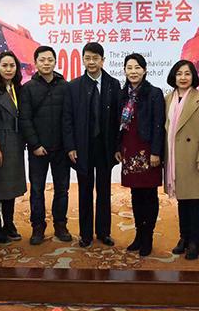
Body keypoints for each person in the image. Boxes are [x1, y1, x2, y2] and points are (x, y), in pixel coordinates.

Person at [63, 42, 121, 248]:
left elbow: (118, 120)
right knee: (85, 191)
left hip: (105, 147)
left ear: (103, 60)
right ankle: (85, 234)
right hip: (83, 148)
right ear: (83, 60)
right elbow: (67, 119)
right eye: (87, 58)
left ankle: (104, 232)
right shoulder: (73, 86)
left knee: (104, 191)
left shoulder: (114, 85)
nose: (91, 62)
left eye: (95, 58)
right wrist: (70, 146)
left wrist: (117, 147)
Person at [19, 46, 72, 245]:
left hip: (61, 149)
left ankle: (60, 224)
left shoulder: (65, 86)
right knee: (37, 190)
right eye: (42, 60)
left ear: (55, 62)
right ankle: (38, 227)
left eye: (50, 59)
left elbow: (69, 118)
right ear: (36, 63)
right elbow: (25, 119)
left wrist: (68, 145)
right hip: (38, 150)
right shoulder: (28, 88)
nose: (46, 63)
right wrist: (34, 144)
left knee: (62, 189)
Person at [115, 53, 165, 256]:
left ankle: (148, 237)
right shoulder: (122, 94)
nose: (133, 72)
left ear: (144, 70)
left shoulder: (154, 93)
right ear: (124, 70)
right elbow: (118, 125)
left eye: (137, 68)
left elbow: (159, 125)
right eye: (129, 68)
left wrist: (156, 152)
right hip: (129, 149)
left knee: (149, 195)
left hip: (148, 151)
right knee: (135, 194)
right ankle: (138, 234)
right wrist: (118, 147)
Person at [164, 60, 199, 260]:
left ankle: (195, 241)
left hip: (193, 157)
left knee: (195, 201)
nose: (183, 78)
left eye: (187, 74)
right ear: (173, 77)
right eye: (179, 74)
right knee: (182, 200)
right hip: (174, 157)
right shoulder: (168, 98)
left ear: (193, 77)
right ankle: (183, 238)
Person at [0, 51, 27, 243]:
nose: (9, 69)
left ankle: (9, 224)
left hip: (15, 143)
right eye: (4, 65)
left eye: (12, 65)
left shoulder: (18, 89)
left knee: (10, 187)